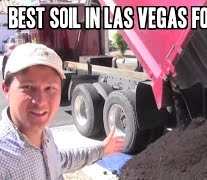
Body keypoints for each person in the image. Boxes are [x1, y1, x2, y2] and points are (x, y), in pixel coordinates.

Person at [0, 43, 125, 179]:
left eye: (50, 88)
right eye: (28, 87)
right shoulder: (3, 156)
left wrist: (102, 150)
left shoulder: (45, 134)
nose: (40, 101)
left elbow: (60, 160)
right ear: (6, 89)